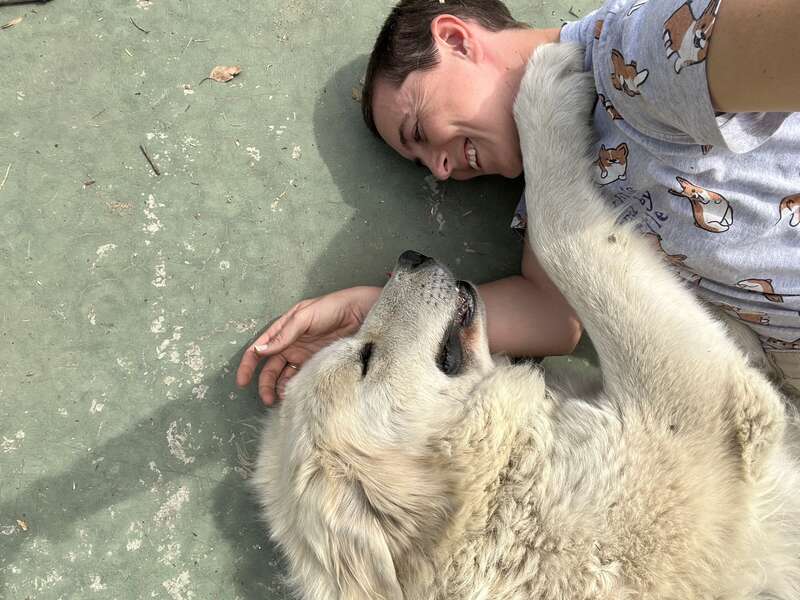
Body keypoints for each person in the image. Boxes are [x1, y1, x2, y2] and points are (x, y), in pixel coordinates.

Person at [237, 0, 800, 404]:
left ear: (455, 39)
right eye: (421, 162)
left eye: (419, 131)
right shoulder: (549, 197)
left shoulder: (635, 51)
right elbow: (553, 318)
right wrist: (378, 314)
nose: (439, 168)